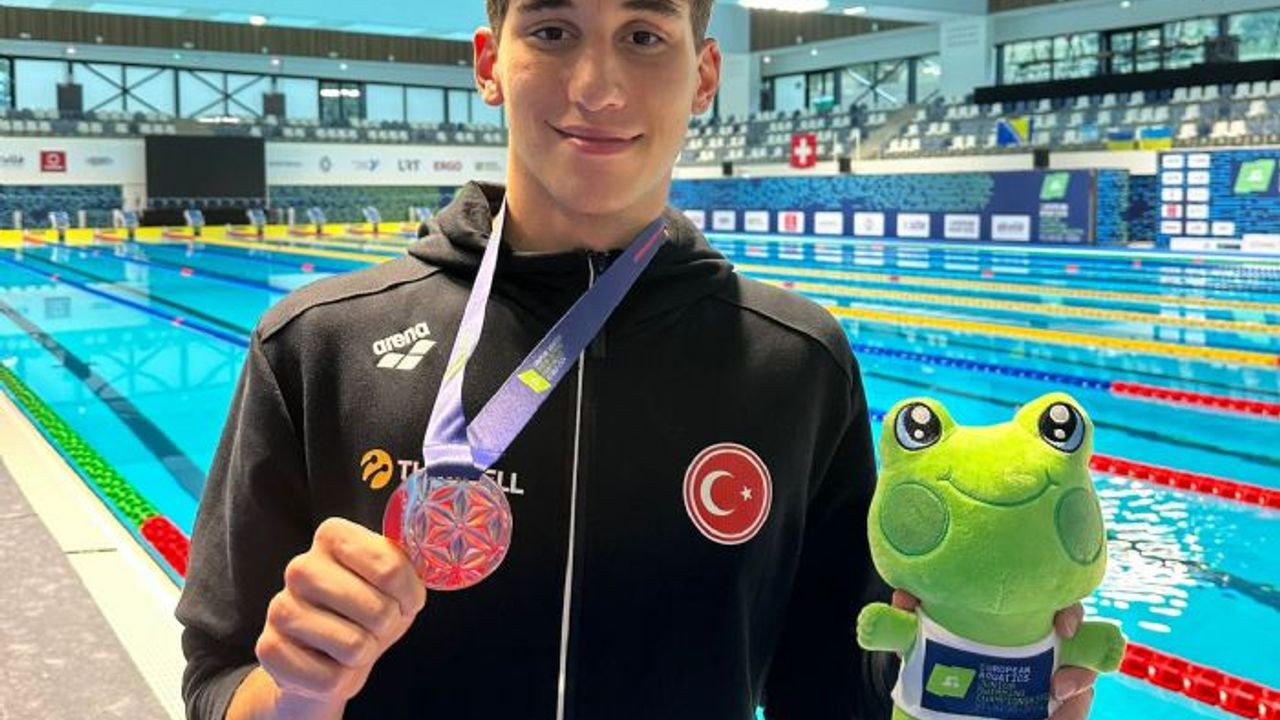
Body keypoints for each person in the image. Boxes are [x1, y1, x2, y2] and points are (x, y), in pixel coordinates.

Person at [176, 1, 1100, 718]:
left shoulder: (797, 365)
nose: (598, 87)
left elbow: (834, 698)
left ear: (705, 75)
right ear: (490, 62)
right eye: (552, 31)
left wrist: (981, 690)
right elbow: (217, 684)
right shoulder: (319, 345)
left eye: (644, 36)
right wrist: (294, 694)